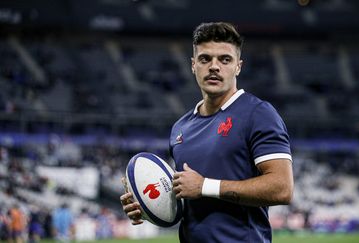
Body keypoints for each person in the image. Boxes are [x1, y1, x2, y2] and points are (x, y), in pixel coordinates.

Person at [120, 22, 294, 243]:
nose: (214, 66)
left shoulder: (258, 113)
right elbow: (188, 197)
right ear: (193, 65)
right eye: (205, 59)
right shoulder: (181, 128)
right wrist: (144, 203)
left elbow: (282, 188)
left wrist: (205, 186)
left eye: (225, 59)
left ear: (238, 66)